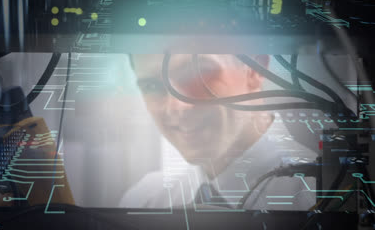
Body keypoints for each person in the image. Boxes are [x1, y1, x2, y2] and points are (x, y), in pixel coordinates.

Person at [119, 54, 317, 210]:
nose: (177, 107)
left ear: (254, 69)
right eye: (152, 86)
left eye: (196, 73)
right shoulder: (143, 199)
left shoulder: (323, 194)